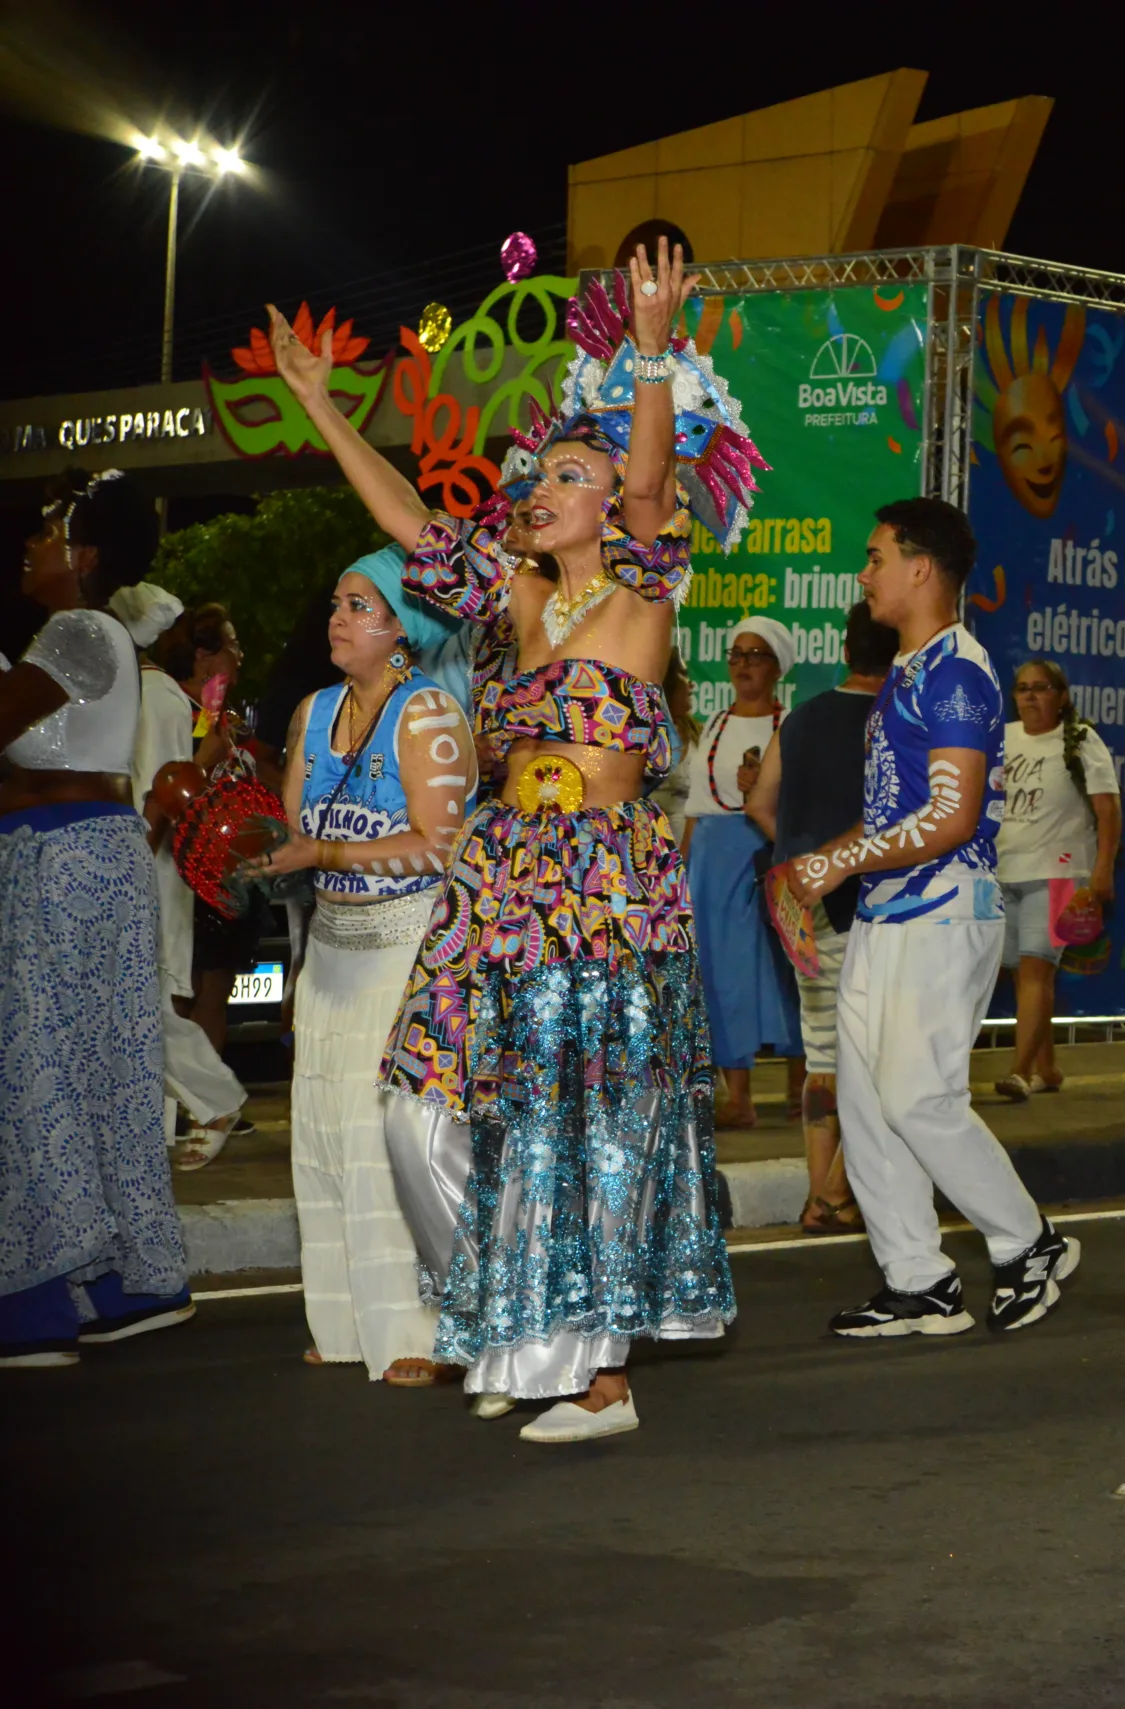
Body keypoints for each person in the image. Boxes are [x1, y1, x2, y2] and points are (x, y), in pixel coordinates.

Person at [266, 239, 745, 1442]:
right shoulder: (512, 600)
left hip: (603, 881)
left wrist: (645, 356)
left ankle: (599, 1377)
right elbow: (407, 519)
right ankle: (520, 1310)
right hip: (500, 877)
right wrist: (324, 406)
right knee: (415, 1111)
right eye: (537, 472)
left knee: (580, 1128)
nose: (539, 484)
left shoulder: (645, 588)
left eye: (566, 475)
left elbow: (644, 484)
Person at [785, 499, 1081, 1339]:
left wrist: (835, 861)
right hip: (887, 913)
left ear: (921, 569)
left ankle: (1029, 1243)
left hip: (945, 909)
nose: (863, 573)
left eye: (876, 557)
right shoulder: (912, 672)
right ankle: (918, 1279)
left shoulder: (957, 672)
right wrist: (819, 867)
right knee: (869, 1103)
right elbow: (895, 808)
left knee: (918, 1097)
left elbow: (952, 818)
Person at [244, 549, 475, 1383]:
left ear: (404, 631)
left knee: (389, 1139)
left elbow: (441, 845)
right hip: (332, 942)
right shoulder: (313, 710)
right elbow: (291, 829)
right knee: (320, 1132)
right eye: (337, 603)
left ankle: (425, 1328)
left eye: (361, 605)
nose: (339, 619)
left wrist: (327, 847)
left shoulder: (429, 716)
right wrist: (251, 848)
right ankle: (343, 1321)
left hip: (407, 942)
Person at [0, 468, 192, 1368]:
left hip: (62, 852)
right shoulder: (62, 635)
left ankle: (38, 1302)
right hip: (83, 852)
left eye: (48, 534)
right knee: (102, 1066)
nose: (34, 547)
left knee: (38, 1068)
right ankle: (127, 1284)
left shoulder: (79, 629)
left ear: (81, 555)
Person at [747, 600, 901, 1234]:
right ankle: (837, 1193)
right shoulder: (894, 720)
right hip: (857, 900)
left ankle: (819, 1192)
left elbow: (759, 802)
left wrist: (800, 861)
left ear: (844, 650)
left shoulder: (801, 717)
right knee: (875, 1056)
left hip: (792, 898)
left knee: (823, 1052)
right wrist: (833, 864)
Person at [110, 582, 252, 1169]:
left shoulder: (156, 696)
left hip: (147, 866)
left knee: (143, 1005)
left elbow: (166, 790)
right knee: (136, 1005)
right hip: (139, 863)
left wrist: (130, 871)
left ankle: (214, 1100)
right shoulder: (144, 692)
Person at [684, 613, 802, 1127]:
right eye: (736, 655)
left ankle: (802, 1087)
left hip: (768, 848)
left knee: (789, 965)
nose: (743, 665)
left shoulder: (792, 725)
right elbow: (694, 804)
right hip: (712, 856)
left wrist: (767, 789)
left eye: (755, 656)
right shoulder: (715, 723)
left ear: (778, 667)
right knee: (721, 972)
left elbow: (807, 804)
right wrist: (683, 875)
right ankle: (739, 1096)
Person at [994, 658, 1121, 1101]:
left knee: (1035, 972)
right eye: (1022, 688)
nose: (1029, 696)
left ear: (1061, 696)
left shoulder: (1082, 740)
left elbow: (1109, 810)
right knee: (1023, 976)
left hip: (1058, 872)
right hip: (1003, 870)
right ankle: (1046, 1068)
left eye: (1040, 688)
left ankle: (1018, 1070)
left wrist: (1102, 869)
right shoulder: (1003, 738)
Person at [157, 605, 262, 1067]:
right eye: (232, 645)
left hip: (229, 873)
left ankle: (206, 1114)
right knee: (181, 995)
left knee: (214, 993)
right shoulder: (171, 706)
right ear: (203, 654)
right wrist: (206, 756)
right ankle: (194, 1109)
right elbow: (168, 790)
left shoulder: (220, 715)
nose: (240, 656)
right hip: (183, 875)